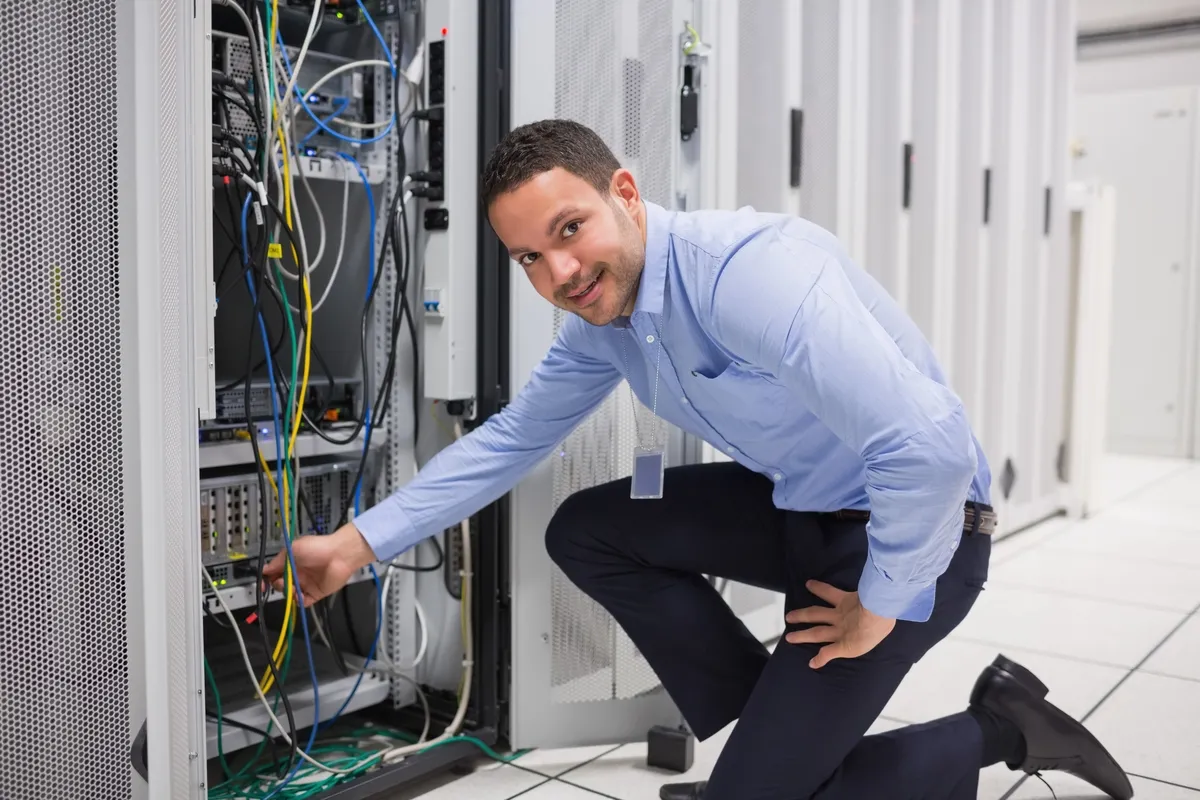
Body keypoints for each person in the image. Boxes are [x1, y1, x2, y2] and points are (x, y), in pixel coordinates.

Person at [264, 119, 1133, 800]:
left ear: (627, 194)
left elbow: (930, 446)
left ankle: (1001, 729)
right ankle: (780, 732)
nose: (561, 271)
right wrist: (355, 545)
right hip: (805, 513)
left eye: (571, 230)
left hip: (923, 539)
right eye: (531, 256)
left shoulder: (747, 276)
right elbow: (513, 437)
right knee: (590, 530)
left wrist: (882, 602)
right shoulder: (602, 322)